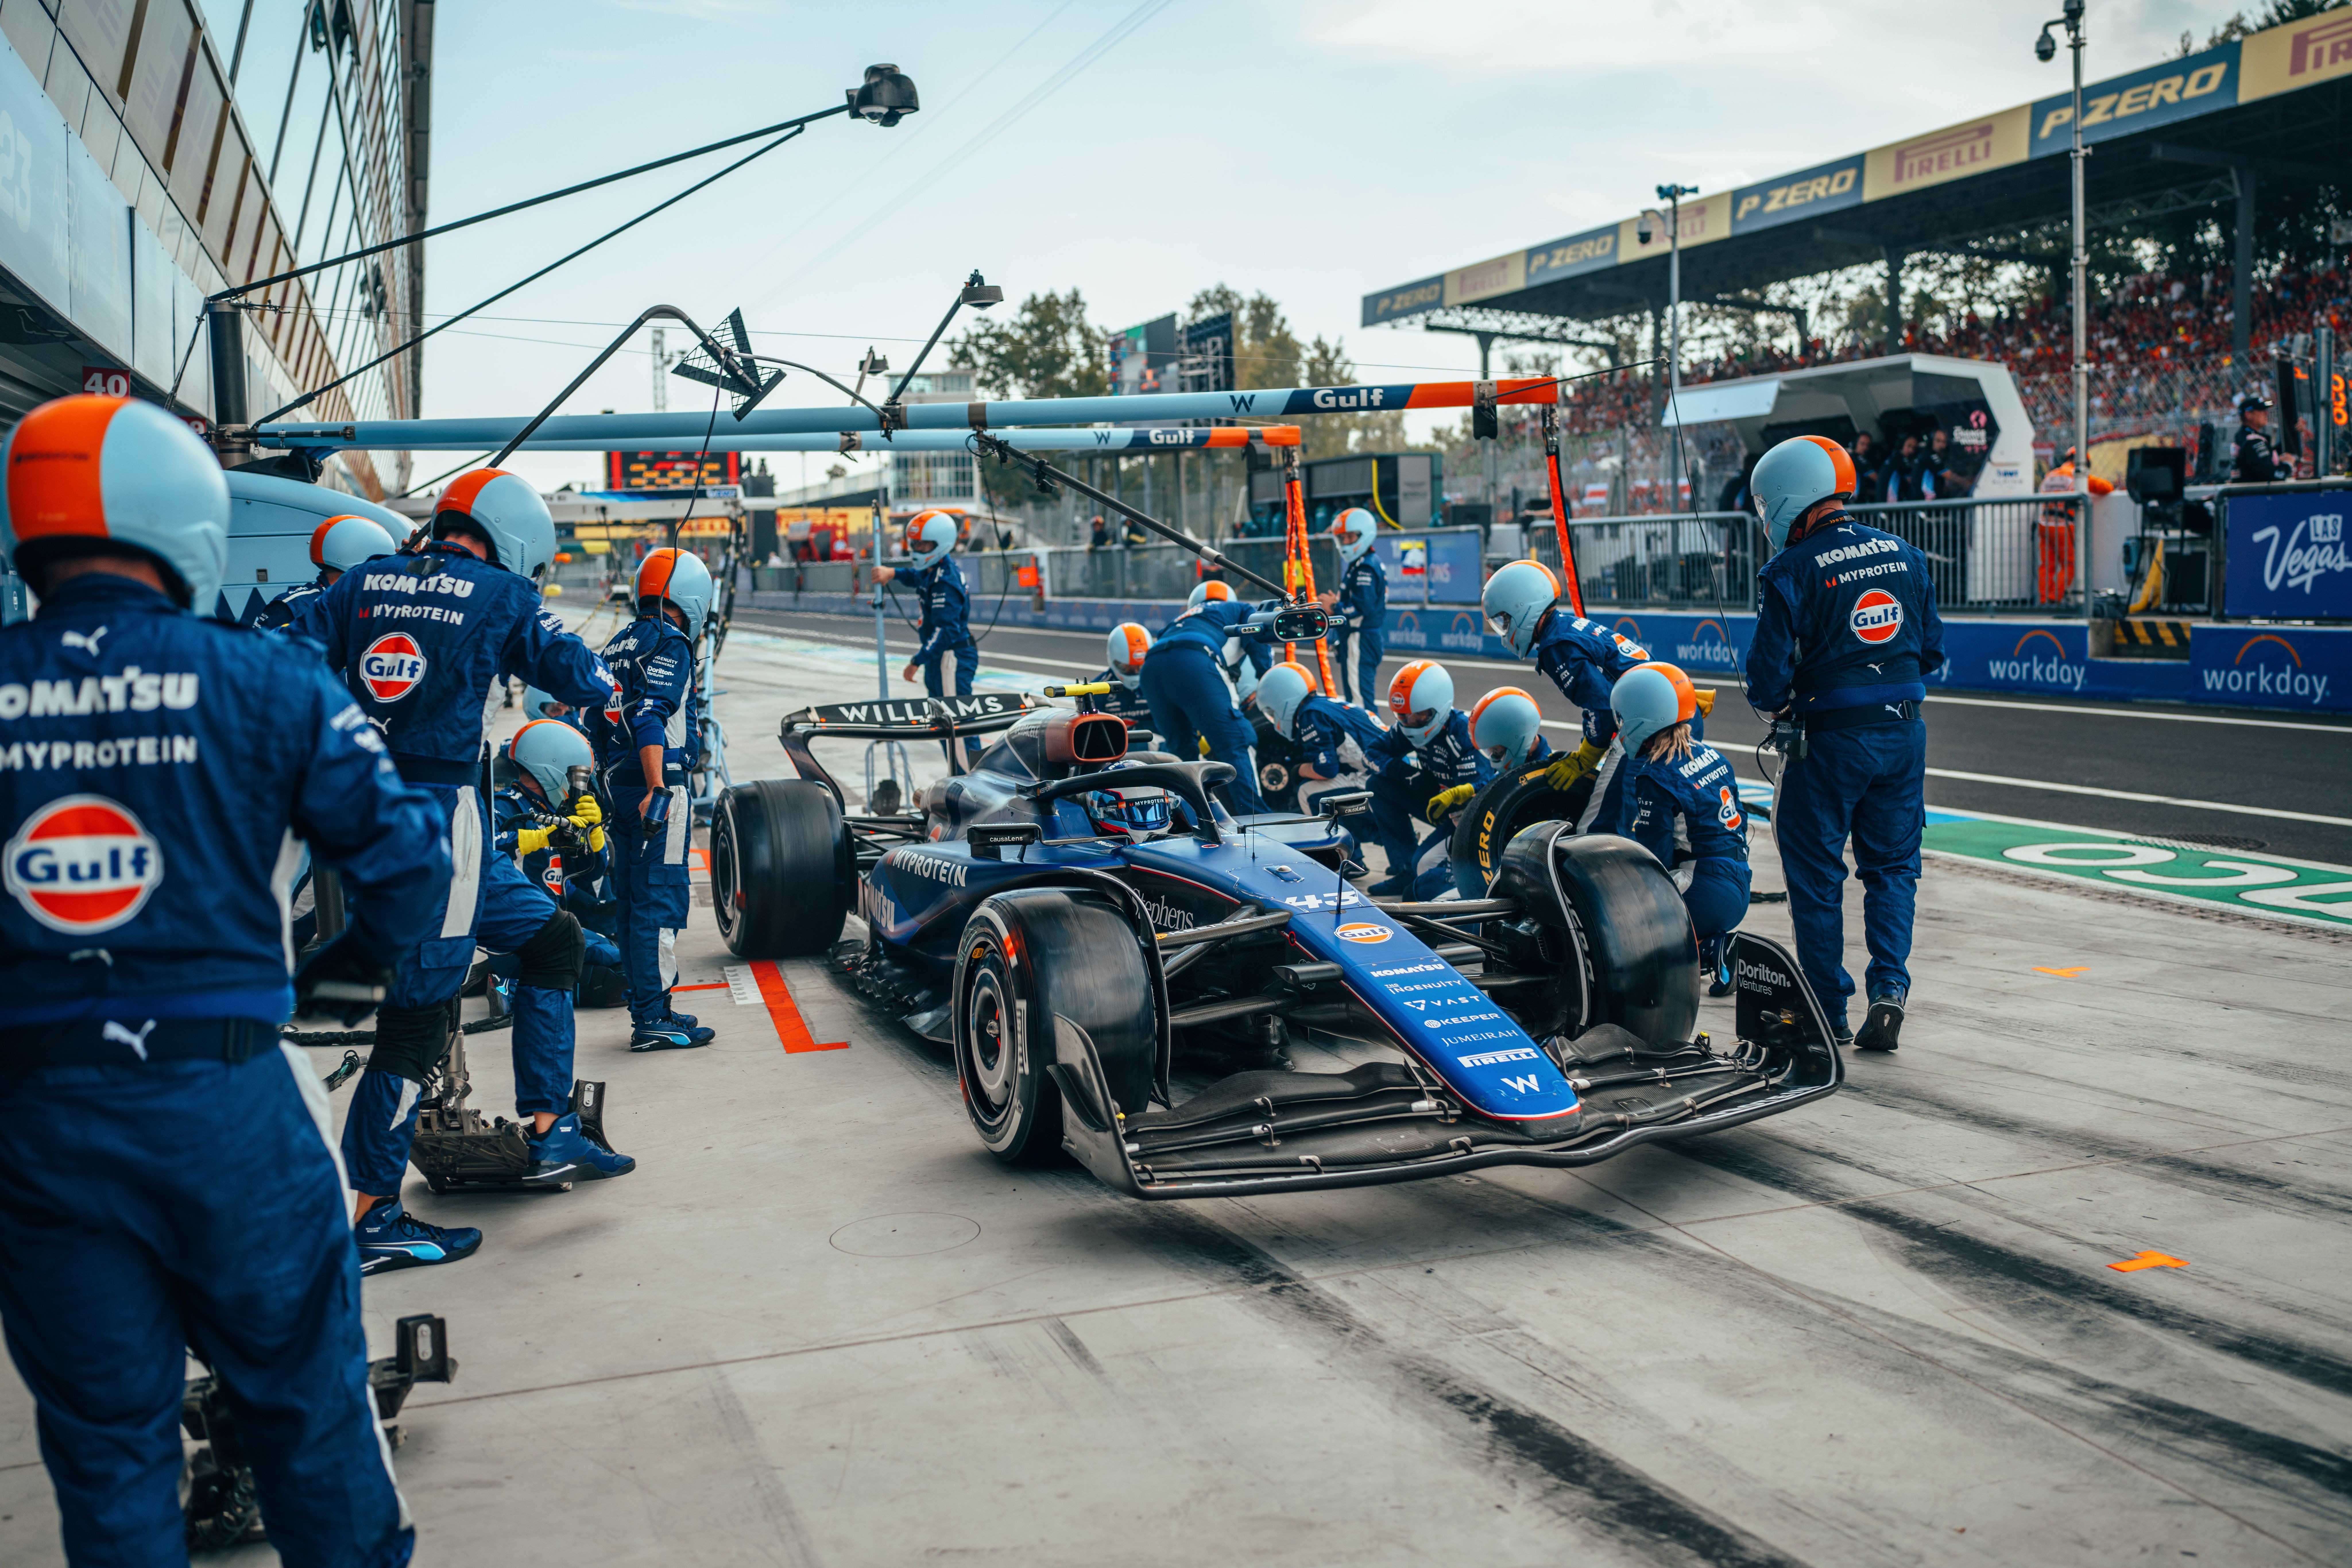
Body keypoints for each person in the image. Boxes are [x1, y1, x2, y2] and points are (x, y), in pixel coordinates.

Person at [0, 394, 448, 1565]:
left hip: (34, 1124)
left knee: (107, 1458)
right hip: (230, 1106)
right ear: (183, 518)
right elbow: (411, 866)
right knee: (310, 1414)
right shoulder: (265, 680)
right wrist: (349, 969)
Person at [290, 466, 626, 1267]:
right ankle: (373, 1215)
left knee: (553, 941)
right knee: (415, 1018)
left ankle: (551, 1131)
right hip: (443, 822)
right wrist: (605, 676)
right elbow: (575, 675)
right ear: (514, 540)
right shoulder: (500, 593)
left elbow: (288, 653)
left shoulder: (365, 582)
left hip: (370, 809)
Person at [1744, 433, 1945, 1052]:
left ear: (1784, 498)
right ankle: (1889, 988)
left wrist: (1785, 701)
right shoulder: (1908, 556)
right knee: (1892, 870)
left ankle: (1827, 1010)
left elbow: (1765, 681)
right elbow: (1931, 652)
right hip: (1904, 735)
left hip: (1828, 742)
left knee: (1815, 876)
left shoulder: (1787, 571)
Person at [593, 547, 718, 1051]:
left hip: (617, 784)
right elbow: (649, 715)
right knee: (658, 905)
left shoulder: (618, 642)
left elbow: (594, 718)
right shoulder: (672, 641)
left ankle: (650, 1006)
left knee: (629, 902)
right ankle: (652, 1018)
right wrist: (658, 789)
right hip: (656, 787)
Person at [1479, 558, 1658, 835]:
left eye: (1504, 621)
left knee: (1598, 831)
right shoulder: (1566, 626)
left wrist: (1584, 758)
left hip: (1646, 726)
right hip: (1664, 711)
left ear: (1522, 608)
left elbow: (1602, 710)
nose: (1504, 631)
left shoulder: (1556, 646)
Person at [1608, 664, 1751, 993]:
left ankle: (1708, 952)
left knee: (1623, 922)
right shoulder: (1713, 755)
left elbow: (1651, 859)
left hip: (1702, 889)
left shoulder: (1654, 775)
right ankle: (1714, 945)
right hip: (1739, 880)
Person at [496, 719, 626, 1007]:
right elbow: (479, 845)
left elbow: (588, 882)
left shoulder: (557, 812)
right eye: (576, 776)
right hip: (519, 928)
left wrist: (594, 836)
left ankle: (512, 979)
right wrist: (541, 837)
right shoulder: (503, 805)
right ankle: (508, 980)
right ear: (552, 767)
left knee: (623, 958)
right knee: (617, 973)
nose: (576, 786)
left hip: (554, 925)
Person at [1139, 589, 1278, 815]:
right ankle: (1257, 821)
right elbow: (1258, 636)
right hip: (1194, 661)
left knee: (1181, 753)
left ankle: (1193, 818)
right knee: (1236, 740)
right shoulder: (1241, 609)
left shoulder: (1183, 619)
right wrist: (1268, 675)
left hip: (1152, 669)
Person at [1366, 660, 1493, 898]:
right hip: (1435, 803)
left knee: (1423, 864)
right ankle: (1404, 869)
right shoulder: (1407, 730)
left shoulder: (1464, 734)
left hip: (1464, 816)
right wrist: (1405, 772)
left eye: (1419, 716)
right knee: (1377, 786)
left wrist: (1454, 798)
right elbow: (1371, 754)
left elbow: (1483, 791)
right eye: (1403, 717)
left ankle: (1446, 874)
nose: (1410, 723)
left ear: (1439, 707)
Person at [1254, 660, 1388, 873]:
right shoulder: (1324, 704)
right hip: (1384, 777)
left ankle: (1333, 858)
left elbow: (1326, 770)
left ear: (1282, 700)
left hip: (1378, 782)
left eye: (1272, 711)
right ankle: (1362, 853)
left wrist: (1297, 770)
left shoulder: (1310, 714)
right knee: (1332, 799)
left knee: (1309, 792)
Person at [872, 510, 976, 769]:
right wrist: (892, 573)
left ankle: (973, 782)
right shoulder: (932, 570)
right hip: (941, 660)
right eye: (915, 544)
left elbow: (946, 631)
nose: (917, 549)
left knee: (958, 725)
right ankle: (958, 776)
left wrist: (917, 661)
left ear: (940, 543)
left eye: (923, 544)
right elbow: (914, 576)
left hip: (952, 658)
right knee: (943, 724)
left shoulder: (945, 582)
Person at [254, 513, 397, 631]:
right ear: (362, 563)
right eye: (381, 566)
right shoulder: (291, 606)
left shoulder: (365, 607)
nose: (383, 575)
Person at [1319, 507, 1386, 709]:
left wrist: (1335, 607)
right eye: (1343, 538)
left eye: (1351, 537)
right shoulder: (1360, 564)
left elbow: (1362, 607)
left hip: (1361, 639)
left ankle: (1368, 739)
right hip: (1358, 639)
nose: (1346, 542)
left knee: (1361, 703)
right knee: (1355, 697)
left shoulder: (1365, 566)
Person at [2036, 446, 2113, 606]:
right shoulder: (2077, 476)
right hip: (2064, 525)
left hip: (2044, 524)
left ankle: (2044, 600)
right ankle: (2054, 597)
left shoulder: (2050, 475)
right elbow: (2106, 488)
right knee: (2071, 564)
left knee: (2047, 565)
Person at [1092, 622, 1160, 741]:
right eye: (1127, 668)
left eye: (1140, 667)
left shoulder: (1159, 686)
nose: (1135, 672)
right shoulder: (1097, 691)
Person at [2232, 394, 2284, 483]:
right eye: (2261, 410)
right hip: (2256, 494)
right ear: (2248, 415)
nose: (2266, 413)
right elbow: (2270, 475)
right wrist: (2288, 465)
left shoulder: (2244, 436)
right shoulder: (2252, 441)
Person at [1880, 433, 1938, 503]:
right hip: (1889, 506)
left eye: (1914, 448)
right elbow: (1913, 482)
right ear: (1902, 444)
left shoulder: (1895, 457)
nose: (1911, 451)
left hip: (1886, 505)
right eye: (1909, 446)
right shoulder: (1901, 460)